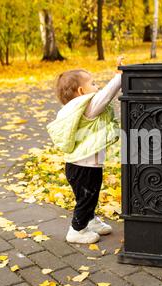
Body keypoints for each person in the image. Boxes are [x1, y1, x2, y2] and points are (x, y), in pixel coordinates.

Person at [47, 56, 124, 244]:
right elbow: (105, 96)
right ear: (81, 91)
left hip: (79, 166)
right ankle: (76, 230)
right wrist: (120, 77)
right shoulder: (88, 107)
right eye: (94, 83)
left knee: (89, 195)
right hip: (85, 167)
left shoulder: (73, 109)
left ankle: (90, 220)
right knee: (86, 198)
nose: (97, 86)